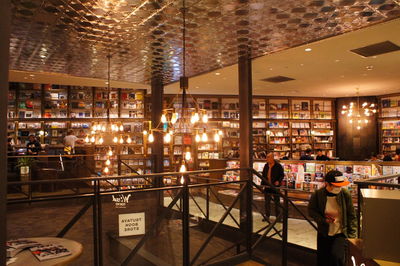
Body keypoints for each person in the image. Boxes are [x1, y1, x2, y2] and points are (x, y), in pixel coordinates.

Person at [308, 170, 357, 266]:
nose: (339, 188)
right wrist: (323, 220)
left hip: (340, 233)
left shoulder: (345, 194)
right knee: (323, 259)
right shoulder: (318, 194)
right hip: (324, 232)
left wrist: (352, 236)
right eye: (336, 185)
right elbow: (311, 210)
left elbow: (351, 215)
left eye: (340, 185)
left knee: (337, 257)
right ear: (327, 184)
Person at [261, 153, 284, 222]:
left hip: (275, 187)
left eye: (268, 157)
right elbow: (263, 176)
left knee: (277, 202)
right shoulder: (266, 165)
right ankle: (267, 216)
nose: (267, 159)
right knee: (267, 202)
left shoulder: (278, 166)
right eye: (267, 157)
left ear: (272, 158)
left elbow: (282, 175)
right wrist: (262, 185)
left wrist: (278, 181)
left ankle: (278, 217)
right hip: (267, 186)